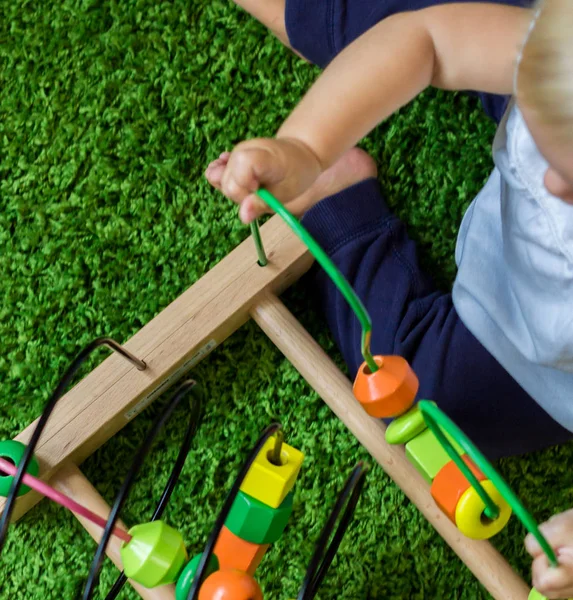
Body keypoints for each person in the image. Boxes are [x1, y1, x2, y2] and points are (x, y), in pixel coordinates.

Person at [205, 1, 573, 596]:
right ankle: (315, 17)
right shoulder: (562, 52)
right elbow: (428, 38)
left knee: (419, 395)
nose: (551, 185)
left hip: (540, 356)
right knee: (411, 20)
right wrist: (305, 144)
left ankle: (342, 205)